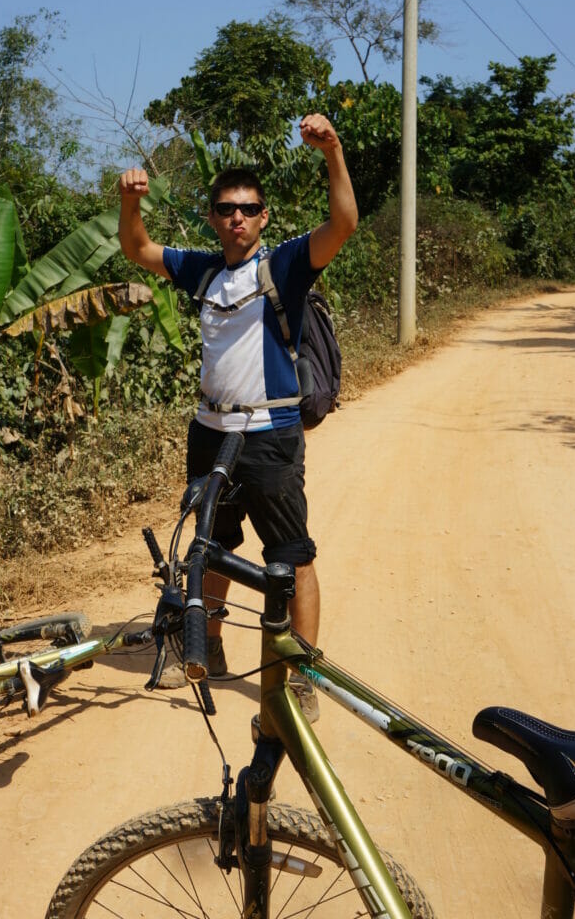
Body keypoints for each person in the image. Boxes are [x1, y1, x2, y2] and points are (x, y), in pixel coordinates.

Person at [119, 114, 358, 720]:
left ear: (263, 217)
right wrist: (129, 201)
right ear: (213, 216)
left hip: (271, 434)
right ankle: (210, 646)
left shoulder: (285, 266)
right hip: (210, 431)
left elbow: (344, 224)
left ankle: (300, 674)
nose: (237, 218)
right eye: (226, 208)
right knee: (210, 544)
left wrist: (331, 151)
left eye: (248, 209)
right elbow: (139, 249)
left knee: (291, 554)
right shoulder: (201, 269)